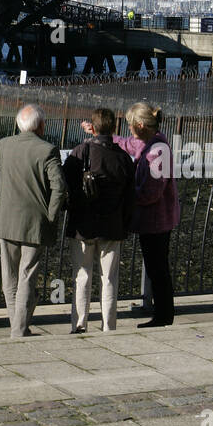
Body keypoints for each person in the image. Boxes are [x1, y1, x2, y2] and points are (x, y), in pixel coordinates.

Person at [0, 105, 67, 338]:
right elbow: (59, 187)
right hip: (35, 222)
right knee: (27, 275)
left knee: (10, 277)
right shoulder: (48, 150)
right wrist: (51, 215)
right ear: (42, 125)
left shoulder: (3, 145)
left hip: (6, 219)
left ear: (18, 125)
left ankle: (18, 327)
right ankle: (19, 330)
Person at [109, 102, 180, 327]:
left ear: (140, 125)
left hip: (157, 221)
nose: (128, 129)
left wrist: (125, 193)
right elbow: (127, 144)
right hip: (153, 220)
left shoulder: (159, 150)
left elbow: (152, 192)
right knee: (156, 268)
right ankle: (162, 314)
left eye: (130, 125)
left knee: (158, 269)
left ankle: (163, 316)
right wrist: (104, 136)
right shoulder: (147, 142)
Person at [65, 107, 135, 333]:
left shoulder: (81, 151)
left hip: (83, 225)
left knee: (82, 276)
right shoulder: (124, 157)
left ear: (92, 128)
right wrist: (125, 222)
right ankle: (108, 325)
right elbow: (131, 194)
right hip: (112, 225)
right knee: (109, 279)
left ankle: (79, 324)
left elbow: (65, 182)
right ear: (115, 128)